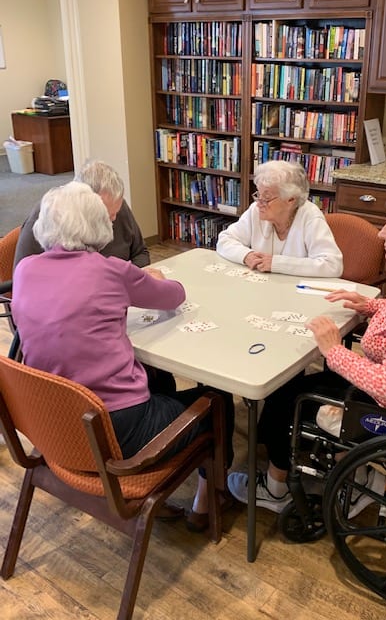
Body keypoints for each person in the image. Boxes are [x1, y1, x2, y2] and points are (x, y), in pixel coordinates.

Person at [227, 185, 386, 514]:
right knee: (294, 387)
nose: (383, 233)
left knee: (282, 396)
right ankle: (351, 470)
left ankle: (276, 487)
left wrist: (333, 349)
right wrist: (373, 306)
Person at [12, 181, 234, 531]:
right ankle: (208, 499)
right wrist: (155, 276)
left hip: (53, 422)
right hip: (115, 430)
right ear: (100, 225)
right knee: (217, 399)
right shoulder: (111, 269)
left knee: (158, 382)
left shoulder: (24, 270)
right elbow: (173, 296)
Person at [14, 159, 150, 269]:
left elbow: (140, 253)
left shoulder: (117, 206)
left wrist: (129, 280)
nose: (113, 220)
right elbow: (23, 281)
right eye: (106, 215)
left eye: (115, 213)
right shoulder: (46, 217)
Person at [216, 160, 343, 277]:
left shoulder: (310, 217)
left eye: (266, 197)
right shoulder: (256, 210)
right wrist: (246, 255)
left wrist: (276, 264)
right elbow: (225, 240)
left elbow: (332, 265)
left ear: (291, 200)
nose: (259, 202)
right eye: (258, 194)